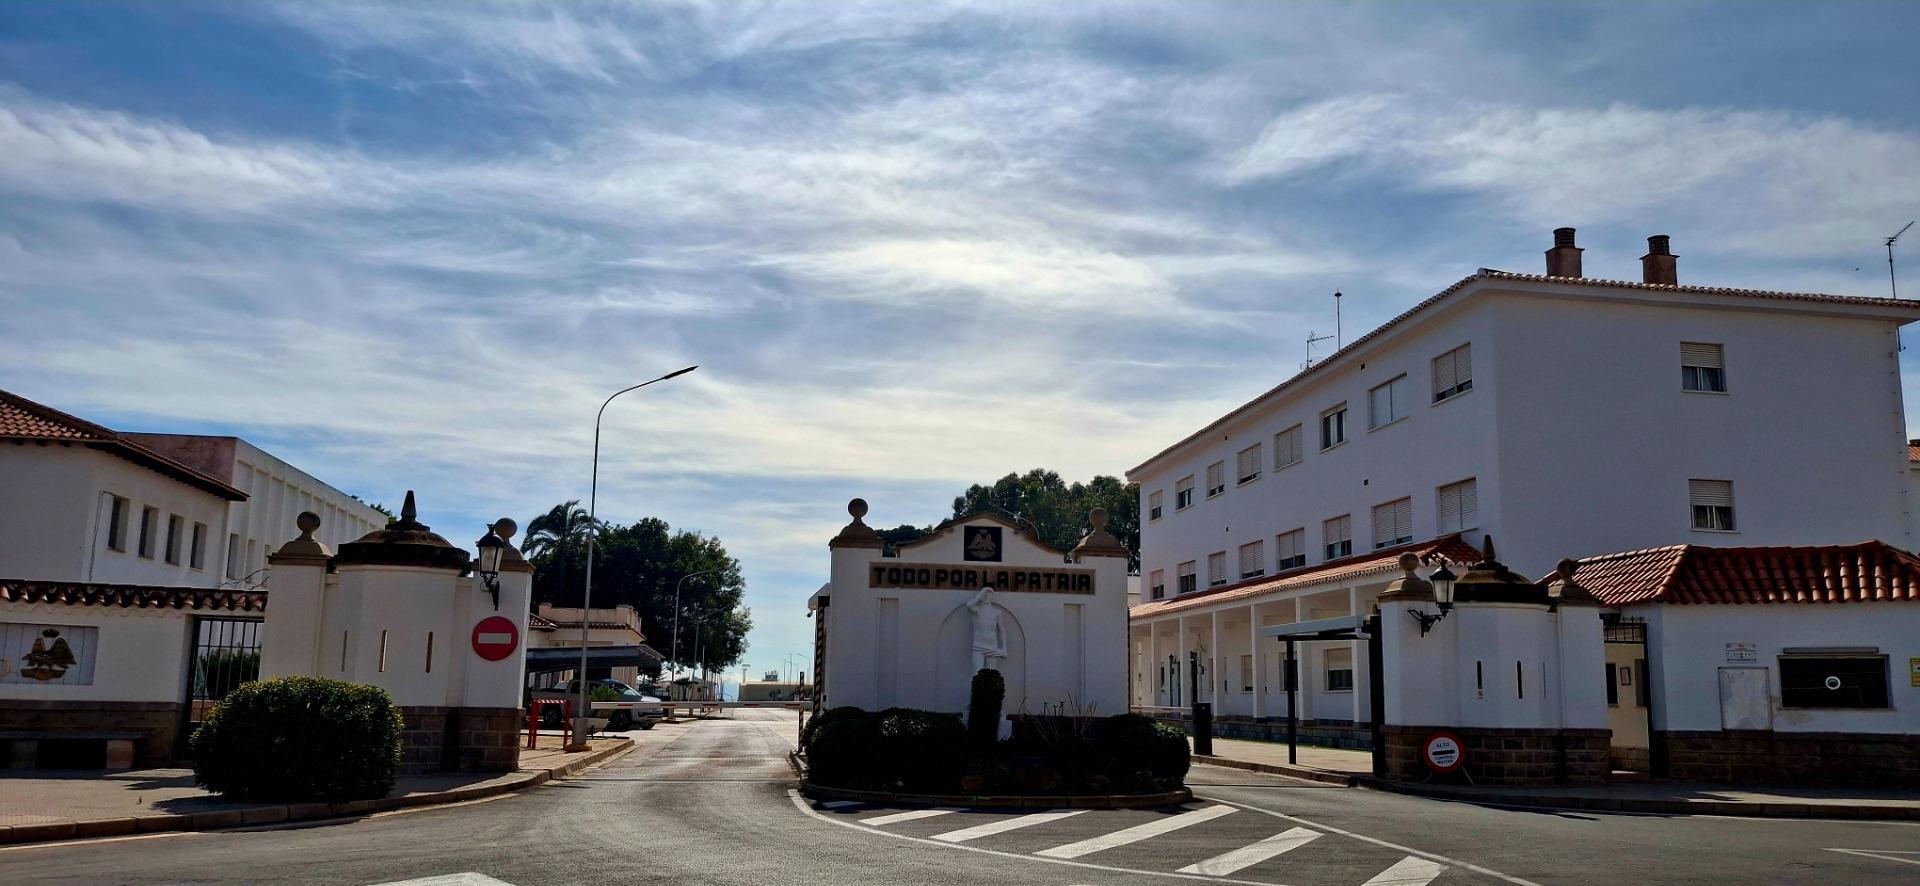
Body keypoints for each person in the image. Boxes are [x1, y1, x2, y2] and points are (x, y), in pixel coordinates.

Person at [967, 586, 1006, 672]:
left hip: (992, 646)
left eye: (989, 595)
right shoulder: (976, 610)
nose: (986, 597)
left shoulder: (997, 612)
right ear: (981, 596)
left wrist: (1004, 648)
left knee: (991, 674)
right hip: (978, 645)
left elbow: (1001, 630)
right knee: (977, 673)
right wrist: (982, 592)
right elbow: (969, 605)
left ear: (992, 596)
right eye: (984, 595)